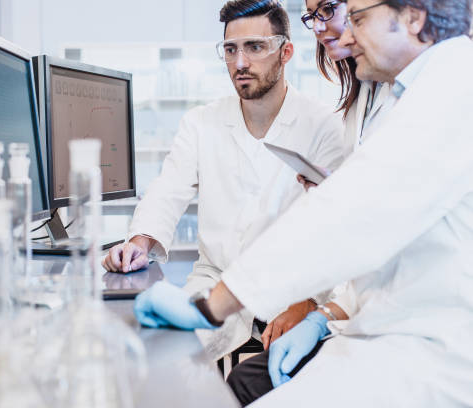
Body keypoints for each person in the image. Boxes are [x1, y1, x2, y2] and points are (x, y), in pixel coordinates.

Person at [134, 0, 473, 406]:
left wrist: (216, 306)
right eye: (230, 49)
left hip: (428, 348)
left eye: (358, 18)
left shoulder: (452, 88)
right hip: (373, 324)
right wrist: (325, 316)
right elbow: (365, 220)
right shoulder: (410, 91)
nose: (345, 35)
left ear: (414, 17)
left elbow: (348, 215)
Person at [103, 0, 345, 360]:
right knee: (157, 356)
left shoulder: (325, 125)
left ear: (286, 52)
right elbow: (167, 192)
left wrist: (310, 301)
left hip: (292, 291)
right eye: (230, 49)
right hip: (214, 282)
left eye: (255, 47)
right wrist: (139, 243)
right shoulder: (201, 122)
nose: (241, 63)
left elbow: (340, 231)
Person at [226, 0, 394, 404]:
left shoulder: (417, 102)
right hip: (350, 302)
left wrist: (320, 310)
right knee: (244, 379)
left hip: (390, 322)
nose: (320, 27)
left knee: (248, 383)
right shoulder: (360, 94)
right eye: (312, 16)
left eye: (331, 11)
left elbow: (382, 230)